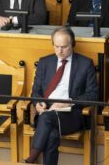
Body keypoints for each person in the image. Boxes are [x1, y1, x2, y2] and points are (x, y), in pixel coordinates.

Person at [25, 26, 98, 165]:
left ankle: (31, 159)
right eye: (56, 46)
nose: (60, 51)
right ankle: (32, 159)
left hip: (71, 114)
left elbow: (93, 95)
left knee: (46, 118)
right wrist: (38, 103)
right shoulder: (44, 62)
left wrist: (68, 102)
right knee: (52, 135)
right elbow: (36, 92)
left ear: (73, 44)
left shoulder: (85, 64)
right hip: (47, 110)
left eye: (64, 47)